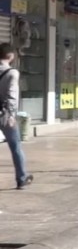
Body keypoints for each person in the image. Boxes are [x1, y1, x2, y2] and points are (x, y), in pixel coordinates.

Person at [0, 43, 33, 189]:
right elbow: (12, 96)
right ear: (11, 56)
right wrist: (12, 115)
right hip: (5, 115)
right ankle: (21, 178)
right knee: (15, 147)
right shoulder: (12, 73)